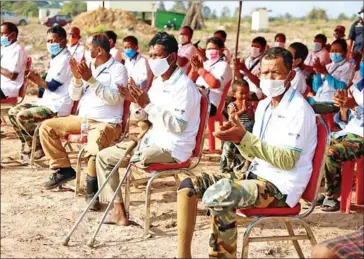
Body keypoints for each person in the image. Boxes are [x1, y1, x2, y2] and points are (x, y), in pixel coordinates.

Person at [176, 47, 317, 259]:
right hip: (255, 175)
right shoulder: (264, 106)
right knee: (188, 186)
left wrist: (244, 137)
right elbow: (253, 154)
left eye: (275, 73)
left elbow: (287, 161)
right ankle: (182, 255)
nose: (269, 78)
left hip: (279, 187)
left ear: (290, 75)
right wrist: (237, 138)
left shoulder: (298, 110)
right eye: (264, 72)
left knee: (221, 195)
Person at [96, 31, 201, 225]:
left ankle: (133, 160)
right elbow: (144, 115)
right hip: (153, 141)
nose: (152, 60)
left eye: (157, 56)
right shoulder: (159, 81)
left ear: (172, 57)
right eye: (151, 56)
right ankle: (118, 210)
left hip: (174, 148)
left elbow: (177, 126)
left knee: (140, 157)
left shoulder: (185, 87)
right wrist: (135, 101)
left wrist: (147, 105)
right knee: (103, 157)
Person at [39, 33, 128, 211]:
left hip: (106, 123)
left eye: (88, 49)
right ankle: (63, 168)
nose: (85, 52)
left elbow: (115, 99)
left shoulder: (118, 69)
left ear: (99, 51)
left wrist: (91, 80)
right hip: (83, 119)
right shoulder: (89, 67)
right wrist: (78, 78)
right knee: (46, 127)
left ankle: (91, 191)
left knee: (94, 148)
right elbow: (74, 96)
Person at [8, 25, 72, 159]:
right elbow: (48, 83)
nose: (50, 44)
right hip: (48, 102)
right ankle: (31, 145)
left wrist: (36, 80)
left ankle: (38, 147)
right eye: (48, 41)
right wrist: (38, 79)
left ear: (63, 41)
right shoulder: (56, 57)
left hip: (57, 106)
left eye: (53, 41)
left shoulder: (65, 59)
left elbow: (53, 86)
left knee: (22, 116)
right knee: (12, 112)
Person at [317, 74, 363, 212]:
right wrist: (343, 106)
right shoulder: (356, 88)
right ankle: (317, 190)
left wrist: (354, 106)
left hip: (361, 137)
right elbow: (346, 120)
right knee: (315, 143)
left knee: (332, 153)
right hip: (348, 133)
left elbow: (356, 110)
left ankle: (332, 195)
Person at [188, 37, 232, 116]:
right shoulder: (206, 63)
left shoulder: (224, 66)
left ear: (221, 50)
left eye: (213, 48)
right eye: (208, 49)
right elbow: (188, 81)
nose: (210, 51)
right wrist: (193, 69)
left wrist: (200, 69)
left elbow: (215, 84)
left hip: (211, 102)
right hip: (198, 97)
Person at [220, 79, 254, 175]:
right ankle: (225, 168)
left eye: (247, 93)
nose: (244, 96)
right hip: (234, 130)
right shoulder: (232, 105)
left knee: (244, 149)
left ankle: (240, 166)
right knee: (229, 148)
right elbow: (231, 117)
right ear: (234, 94)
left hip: (246, 132)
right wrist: (242, 110)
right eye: (241, 93)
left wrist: (248, 109)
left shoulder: (249, 105)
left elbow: (251, 118)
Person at [308, 39, 352, 114]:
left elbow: (342, 87)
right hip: (318, 100)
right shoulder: (328, 66)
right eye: (332, 51)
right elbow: (316, 88)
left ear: (344, 53)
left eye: (337, 51)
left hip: (331, 102)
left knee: (305, 109)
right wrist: (317, 73)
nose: (334, 53)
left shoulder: (347, 66)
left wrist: (325, 73)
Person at [1, 22, 28, 100]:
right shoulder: (6, 48)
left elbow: (12, 75)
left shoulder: (18, 51)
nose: (1, 37)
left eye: (3, 34)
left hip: (7, 89)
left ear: (13, 35)